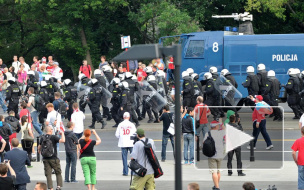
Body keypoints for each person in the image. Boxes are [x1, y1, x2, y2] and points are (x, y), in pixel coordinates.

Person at [38, 126, 65, 190]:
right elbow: (63, 140)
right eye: (52, 129)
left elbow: (39, 147)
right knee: (58, 172)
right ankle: (58, 186)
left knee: (48, 174)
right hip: (53, 158)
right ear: (50, 130)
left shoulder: (42, 137)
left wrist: (40, 151)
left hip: (45, 158)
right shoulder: (53, 137)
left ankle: (51, 188)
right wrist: (62, 134)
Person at [203, 120, 226, 190]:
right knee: (218, 171)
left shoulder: (208, 133)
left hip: (212, 154)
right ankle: (216, 185)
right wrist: (222, 124)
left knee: (214, 172)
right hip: (220, 154)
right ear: (216, 126)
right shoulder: (221, 133)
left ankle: (217, 187)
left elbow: (204, 142)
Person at [115, 112, 137, 176]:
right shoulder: (132, 124)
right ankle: (133, 171)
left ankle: (125, 171)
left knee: (124, 158)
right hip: (131, 142)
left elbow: (117, 134)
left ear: (123, 117)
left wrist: (121, 137)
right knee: (133, 157)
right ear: (129, 117)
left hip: (123, 143)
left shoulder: (120, 124)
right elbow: (135, 133)